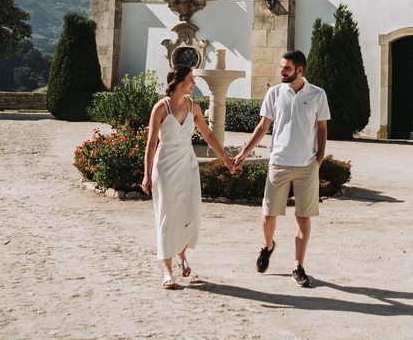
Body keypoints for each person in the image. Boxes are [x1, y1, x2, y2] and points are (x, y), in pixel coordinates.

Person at [234, 49, 330, 287]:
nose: (282, 71)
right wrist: (244, 153)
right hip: (278, 162)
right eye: (281, 67)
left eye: (286, 68)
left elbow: (322, 128)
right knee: (268, 216)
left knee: (303, 218)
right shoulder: (274, 93)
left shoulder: (317, 94)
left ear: (300, 69)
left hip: (306, 165)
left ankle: (298, 266)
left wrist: (319, 158)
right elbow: (262, 126)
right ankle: (268, 246)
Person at [141, 65, 235, 289]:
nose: (194, 83)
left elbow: (208, 134)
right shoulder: (161, 108)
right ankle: (167, 270)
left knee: (191, 215)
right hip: (165, 165)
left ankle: (181, 253)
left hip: (188, 164)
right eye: (191, 79)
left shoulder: (194, 106)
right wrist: (146, 174)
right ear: (178, 81)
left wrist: (226, 158)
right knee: (167, 216)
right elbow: (151, 143)